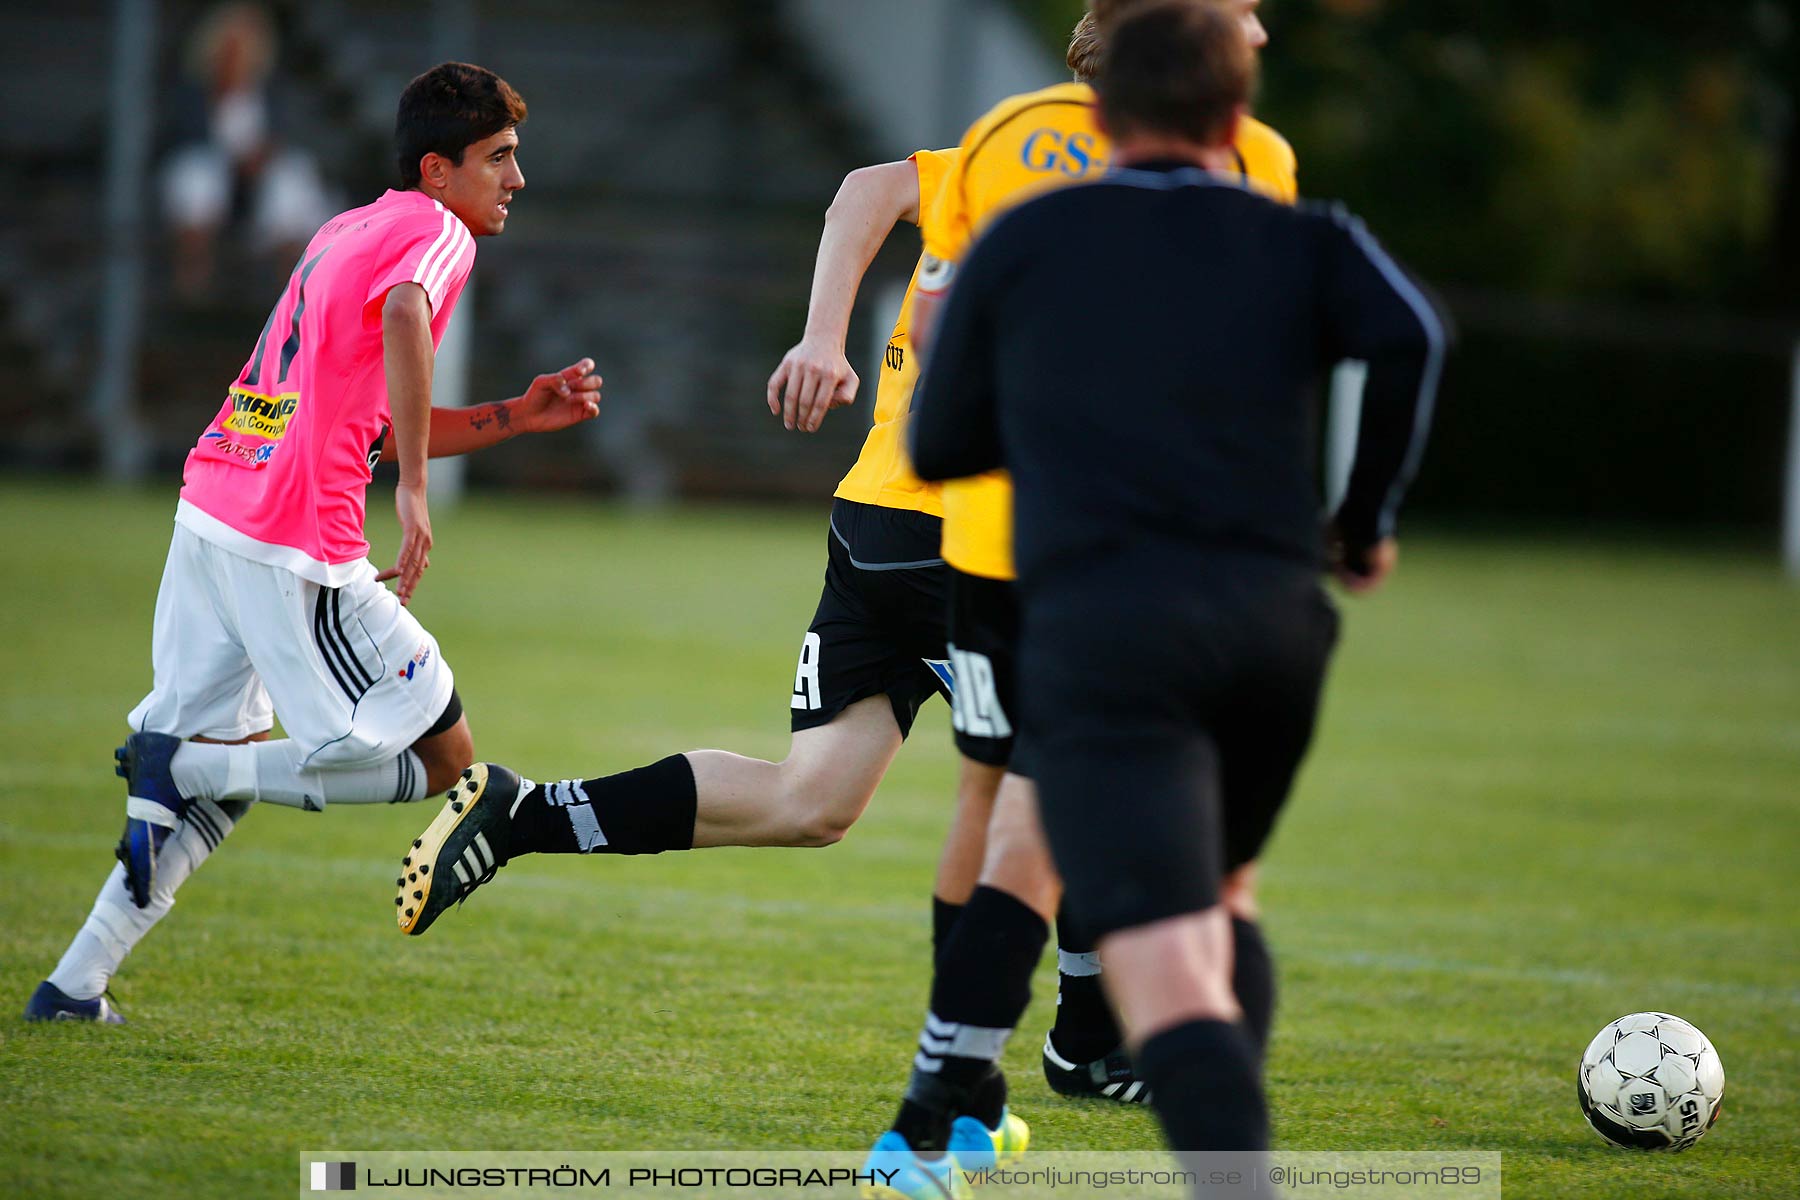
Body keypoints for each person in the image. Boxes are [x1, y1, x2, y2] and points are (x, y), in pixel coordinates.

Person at [911, 0, 1448, 1178]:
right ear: (1239, 114)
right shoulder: (1306, 234)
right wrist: (1363, 526)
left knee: (1154, 947)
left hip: (1111, 624)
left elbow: (940, 443)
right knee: (1225, 894)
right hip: (1278, 623)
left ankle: (1222, 1170)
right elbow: (1413, 338)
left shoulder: (1034, 236)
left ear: (1098, 109)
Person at [25, 62, 603, 1023]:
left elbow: (359, 414)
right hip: (293, 539)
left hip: (216, 504)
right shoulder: (437, 230)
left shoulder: (347, 226)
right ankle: (186, 764)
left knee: (225, 776)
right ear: (437, 170)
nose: (517, 177)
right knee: (447, 761)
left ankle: (74, 985)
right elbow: (412, 318)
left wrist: (512, 417)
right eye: (498, 157)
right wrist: (416, 490)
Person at [870, 4, 1298, 1160]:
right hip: (1141, 545)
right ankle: (987, 1075)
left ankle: (967, 1068)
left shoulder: (1007, 133)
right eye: (1243, 11)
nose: (1262, 27)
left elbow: (942, 312)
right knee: (1143, 832)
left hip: (991, 529)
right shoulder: (1256, 156)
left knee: (1002, 801)